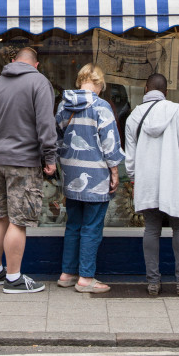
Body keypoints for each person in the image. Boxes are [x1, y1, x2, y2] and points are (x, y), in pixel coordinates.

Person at [0, 46, 57, 293]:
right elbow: (45, 123)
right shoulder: (39, 83)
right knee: (19, 220)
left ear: (13, 61)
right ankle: (13, 279)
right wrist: (50, 157)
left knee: (0, 217)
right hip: (23, 161)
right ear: (36, 64)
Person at [125, 73, 179, 297]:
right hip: (173, 178)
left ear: (145, 89)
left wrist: (133, 177)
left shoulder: (134, 116)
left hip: (146, 180)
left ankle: (152, 282)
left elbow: (129, 155)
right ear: (166, 92)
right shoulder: (175, 110)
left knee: (151, 229)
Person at [55, 64, 124, 293]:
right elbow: (110, 144)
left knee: (73, 225)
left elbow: (56, 140)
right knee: (92, 227)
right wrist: (114, 172)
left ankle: (66, 274)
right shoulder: (102, 107)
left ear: (80, 81)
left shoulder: (63, 105)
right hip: (94, 178)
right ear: (99, 83)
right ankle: (85, 278)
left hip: (70, 174)